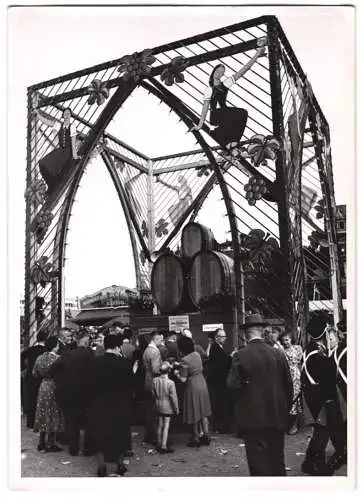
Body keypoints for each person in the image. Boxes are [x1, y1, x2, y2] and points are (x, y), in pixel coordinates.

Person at [227, 313, 293, 476]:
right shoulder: (278, 354)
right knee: (277, 462)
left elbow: (231, 386)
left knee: (259, 466)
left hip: (253, 421)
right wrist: (284, 411)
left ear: (245, 334)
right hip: (277, 418)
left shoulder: (240, 356)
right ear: (262, 331)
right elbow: (289, 386)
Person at [190, 41, 266, 151]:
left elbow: (243, 70)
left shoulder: (225, 84)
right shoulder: (209, 89)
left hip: (225, 112)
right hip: (215, 115)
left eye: (222, 72)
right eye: (218, 71)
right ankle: (226, 140)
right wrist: (200, 124)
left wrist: (256, 56)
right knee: (232, 115)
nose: (220, 73)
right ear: (213, 71)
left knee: (242, 113)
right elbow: (205, 107)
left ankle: (233, 142)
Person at [300, 312, 346, 476]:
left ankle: (308, 462)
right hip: (319, 398)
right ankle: (315, 466)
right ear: (323, 332)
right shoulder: (319, 356)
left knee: (320, 431)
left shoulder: (309, 350)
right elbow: (327, 381)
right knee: (322, 432)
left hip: (311, 395)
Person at [88, 334, 132, 477]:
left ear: (105, 345)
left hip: (99, 402)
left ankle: (101, 465)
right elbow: (130, 385)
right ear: (118, 346)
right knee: (119, 431)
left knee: (100, 432)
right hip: (120, 402)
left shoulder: (94, 362)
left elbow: (89, 384)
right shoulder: (125, 363)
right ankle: (119, 465)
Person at [51, 332, 95, 456]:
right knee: (88, 422)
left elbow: (53, 368)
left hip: (70, 392)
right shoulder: (91, 354)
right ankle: (88, 449)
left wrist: (61, 382)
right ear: (87, 343)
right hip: (87, 393)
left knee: (71, 421)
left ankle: (73, 449)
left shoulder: (67, 355)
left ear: (77, 341)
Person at [175, 335, 211, 447]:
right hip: (202, 382)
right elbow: (194, 366)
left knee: (194, 412)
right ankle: (206, 435)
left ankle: (195, 438)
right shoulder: (196, 354)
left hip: (192, 386)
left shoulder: (184, 360)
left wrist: (176, 372)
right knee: (203, 412)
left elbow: (183, 379)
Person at [34, 107, 80, 195]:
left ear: (70, 116)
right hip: (60, 150)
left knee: (54, 169)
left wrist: (74, 155)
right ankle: (52, 185)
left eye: (68, 114)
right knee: (43, 163)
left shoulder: (72, 127)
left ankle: (53, 187)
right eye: (65, 113)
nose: (66, 115)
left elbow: (73, 141)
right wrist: (38, 115)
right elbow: (48, 122)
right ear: (63, 115)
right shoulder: (59, 125)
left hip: (67, 152)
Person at [33, 336, 65, 452]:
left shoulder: (39, 358)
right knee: (53, 413)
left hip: (43, 386)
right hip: (54, 386)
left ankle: (41, 442)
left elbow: (35, 374)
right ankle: (50, 443)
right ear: (55, 346)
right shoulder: (58, 358)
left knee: (43, 412)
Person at [21, 328, 48, 428]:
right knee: (42, 400)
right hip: (42, 377)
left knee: (31, 400)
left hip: (30, 377)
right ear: (46, 339)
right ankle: (41, 422)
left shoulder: (31, 349)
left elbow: (21, 356)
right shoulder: (46, 350)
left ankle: (30, 422)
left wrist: (24, 368)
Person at [207, 328, 232, 433]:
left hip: (219, 381)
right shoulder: (215, 348)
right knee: (220, 404)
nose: (224, 338)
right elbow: (222, 364)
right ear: (216, 338)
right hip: (219, 381)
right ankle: (221, 427)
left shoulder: (218, 347)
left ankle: (220, 426)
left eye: (225, 336)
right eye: (222, 336)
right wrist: (231, 357)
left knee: (220, 404)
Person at [279, 331, 303, 435]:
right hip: (284, 376)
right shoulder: (280, 350)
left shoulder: (297, 349)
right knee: (286, 398)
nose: (285, 342)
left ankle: (295, 424)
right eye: (283, 340)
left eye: (287, 339)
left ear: (291, 339)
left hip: (295, 376)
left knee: (295, 399)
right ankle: (286, 423)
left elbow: (301, 361)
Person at [152, 361, 179, 453]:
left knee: (159, 424)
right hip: (167, 406)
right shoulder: (171, 383)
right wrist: (176, 408)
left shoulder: (155, 380)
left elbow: (153, 393)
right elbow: (173, 397)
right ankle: (164, 446)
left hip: (158, 404)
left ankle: (159, 443)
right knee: (166, 426)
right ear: (169, 371)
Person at [142, 331, 163, 445]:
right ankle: (154, 436)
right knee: (155, 410)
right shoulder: (155, 352)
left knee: (149, 409)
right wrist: (165, 367)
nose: (161, 342)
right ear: (155, 339)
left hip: (147, 379)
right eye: (160, 340)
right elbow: (156, 370)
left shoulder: (146, 350)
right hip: (154, 382)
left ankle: (148, 434)